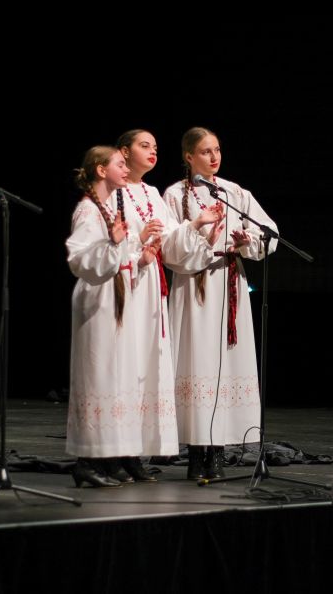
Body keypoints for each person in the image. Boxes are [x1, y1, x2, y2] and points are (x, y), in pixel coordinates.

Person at [163, 127, 278, 480]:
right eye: (205, 151)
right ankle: (198, 452)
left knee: (227, 364)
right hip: (195, 285)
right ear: (188, 156)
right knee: (198, 360)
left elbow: (268, 230)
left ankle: (217, 451)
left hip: (229, 281)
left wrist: (246, 241)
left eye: (217, 150)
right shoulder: (174, 194)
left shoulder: (233, 192)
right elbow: (170, 246)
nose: (214, 157)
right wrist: (200, 236)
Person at [112, 129, 221, 481]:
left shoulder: (151, 193)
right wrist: (138, 241)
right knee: (125, 367)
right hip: (124, 284)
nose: (152, 151)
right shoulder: (113, 192)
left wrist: (198, 224)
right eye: (144, 146)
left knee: (145, 368)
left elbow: (172, 238)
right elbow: (106, 238)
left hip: (150, 288)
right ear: (123, 152)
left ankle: (133, 453)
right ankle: (112, 453)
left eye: (155, 147)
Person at [66, 146, 140, 488]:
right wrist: (110, 245)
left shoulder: (109, 207)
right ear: (100, 170)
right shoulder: (87, 210)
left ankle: (109, 457)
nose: (126, 169)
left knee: (114, 377)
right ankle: (87, 460)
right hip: (97, 298)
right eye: (120, 164)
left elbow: (121, 249)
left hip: (116, 296)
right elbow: (78, 259)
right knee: (97, 376)